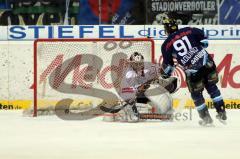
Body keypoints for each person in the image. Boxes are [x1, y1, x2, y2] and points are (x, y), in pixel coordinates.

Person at [160, 17, 227, 125]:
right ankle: (222, 112)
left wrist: (164, 75)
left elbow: (169, 67)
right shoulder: (190, 29)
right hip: (207, 64)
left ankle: (206, 119)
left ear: (166, 29)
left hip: (193, 72)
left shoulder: (166, 45)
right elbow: (205, 42)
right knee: (212, 87)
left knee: (196, 95)